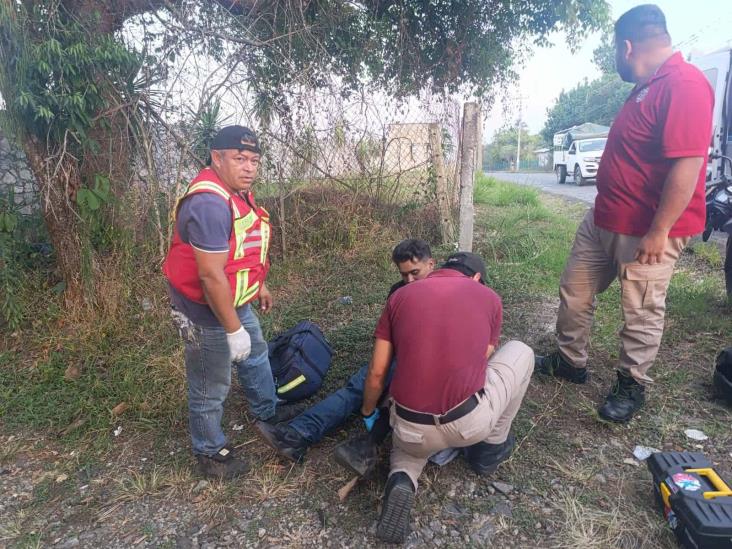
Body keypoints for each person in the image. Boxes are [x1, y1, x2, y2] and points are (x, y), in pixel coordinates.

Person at [535, 4, 714, 423]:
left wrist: (659, 231)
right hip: (603, 218)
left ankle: (631, 385)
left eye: (615, 51)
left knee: (641, 309)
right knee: (575, 290)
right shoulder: (646, 87)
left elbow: (687, 165)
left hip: (645, 230)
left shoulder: (684, 83)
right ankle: (569, 362)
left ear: (627, 46)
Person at [362, 252, 534, 543]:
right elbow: (483, 358)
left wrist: (368, 413)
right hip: (467, 422)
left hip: (410, 425)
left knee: (406, 450)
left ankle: (402, 478)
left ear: (437, 268)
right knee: (522, 351)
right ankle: (488, 451)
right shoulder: (489, 297)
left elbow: (378, 372)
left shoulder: (400, 296)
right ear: (477, 278)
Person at [163, 126, 301, 479]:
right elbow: (209, 276)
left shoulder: (236, 192)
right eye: (240, 159)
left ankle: (266, 410)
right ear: (217, 158)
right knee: (211, 382)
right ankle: (208, 451)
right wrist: (232, 328)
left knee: (255, 352)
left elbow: (240, 248)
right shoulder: (209, 202)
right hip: (203, 305)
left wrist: (259, 285)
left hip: (231, 296)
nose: (249, 167)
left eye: (254, 160)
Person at [254, 239, 435, 463]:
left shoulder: (447, 293)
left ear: (431, 265)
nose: (409, 281)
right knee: (359, 387)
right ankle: (297, 434)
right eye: (403, 274)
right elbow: (387, 341)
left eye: (415, 273)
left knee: (376, 393)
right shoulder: (398, 293)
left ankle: (361, 446)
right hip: (400, 355)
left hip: (432, 365)